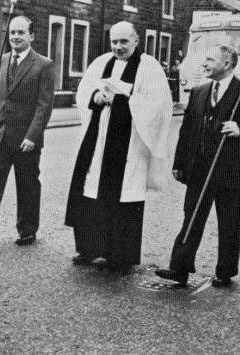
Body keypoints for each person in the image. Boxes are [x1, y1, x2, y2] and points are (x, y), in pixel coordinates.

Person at [155, 45, 240, 287]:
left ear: (226, 64)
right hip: (199, 170)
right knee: (191, 219)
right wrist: (179, 163)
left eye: (209, 59)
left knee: (229, 223)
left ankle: (225, 271)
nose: (204, 64)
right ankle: (179, 268)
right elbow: (186, 132)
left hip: (232, 171)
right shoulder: (198, 92)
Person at [65, 21, 172, 270]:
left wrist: (122, 100)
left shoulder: (149, 67)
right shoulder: (101, 62)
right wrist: (96, 97)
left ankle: (120, 255)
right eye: (114, 41)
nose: (118, 46)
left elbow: (157, 106)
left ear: (136, 41)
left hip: (129, 146)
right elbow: (83, 93)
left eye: (124, 41)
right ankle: (88, 249)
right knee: (90, 190)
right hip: (98, 142)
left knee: (124, 195)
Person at [0, 16, 55, 248]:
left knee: (27, 186)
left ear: (31, 36)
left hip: (26, 142)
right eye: (12, 32)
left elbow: (44, 106)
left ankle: (27, 231)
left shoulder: (43, 64)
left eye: (21, 33)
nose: (15, 37)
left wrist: (32, 137)